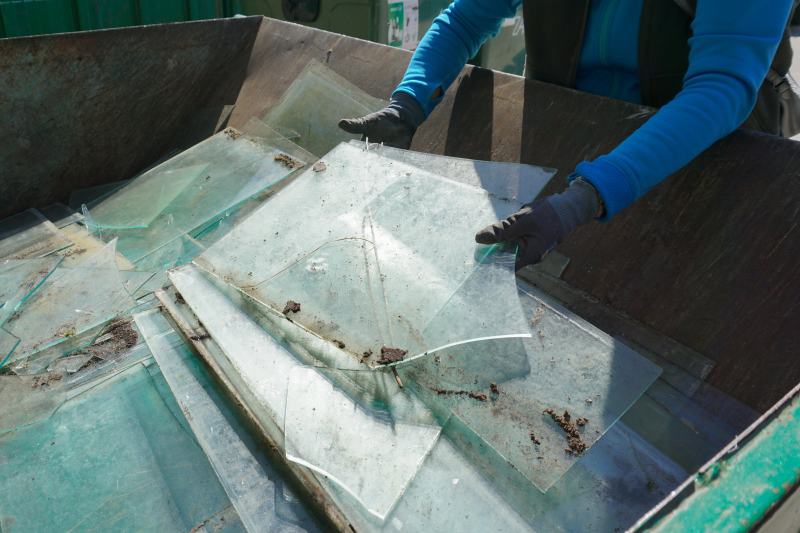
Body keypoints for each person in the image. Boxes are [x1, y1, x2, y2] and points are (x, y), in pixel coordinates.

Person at [339, 0, 797, 270]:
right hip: (564, 142)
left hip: (695, 169)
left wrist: (587, 197)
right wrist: (408, 104)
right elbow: (465, 19)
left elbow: (721, 88)